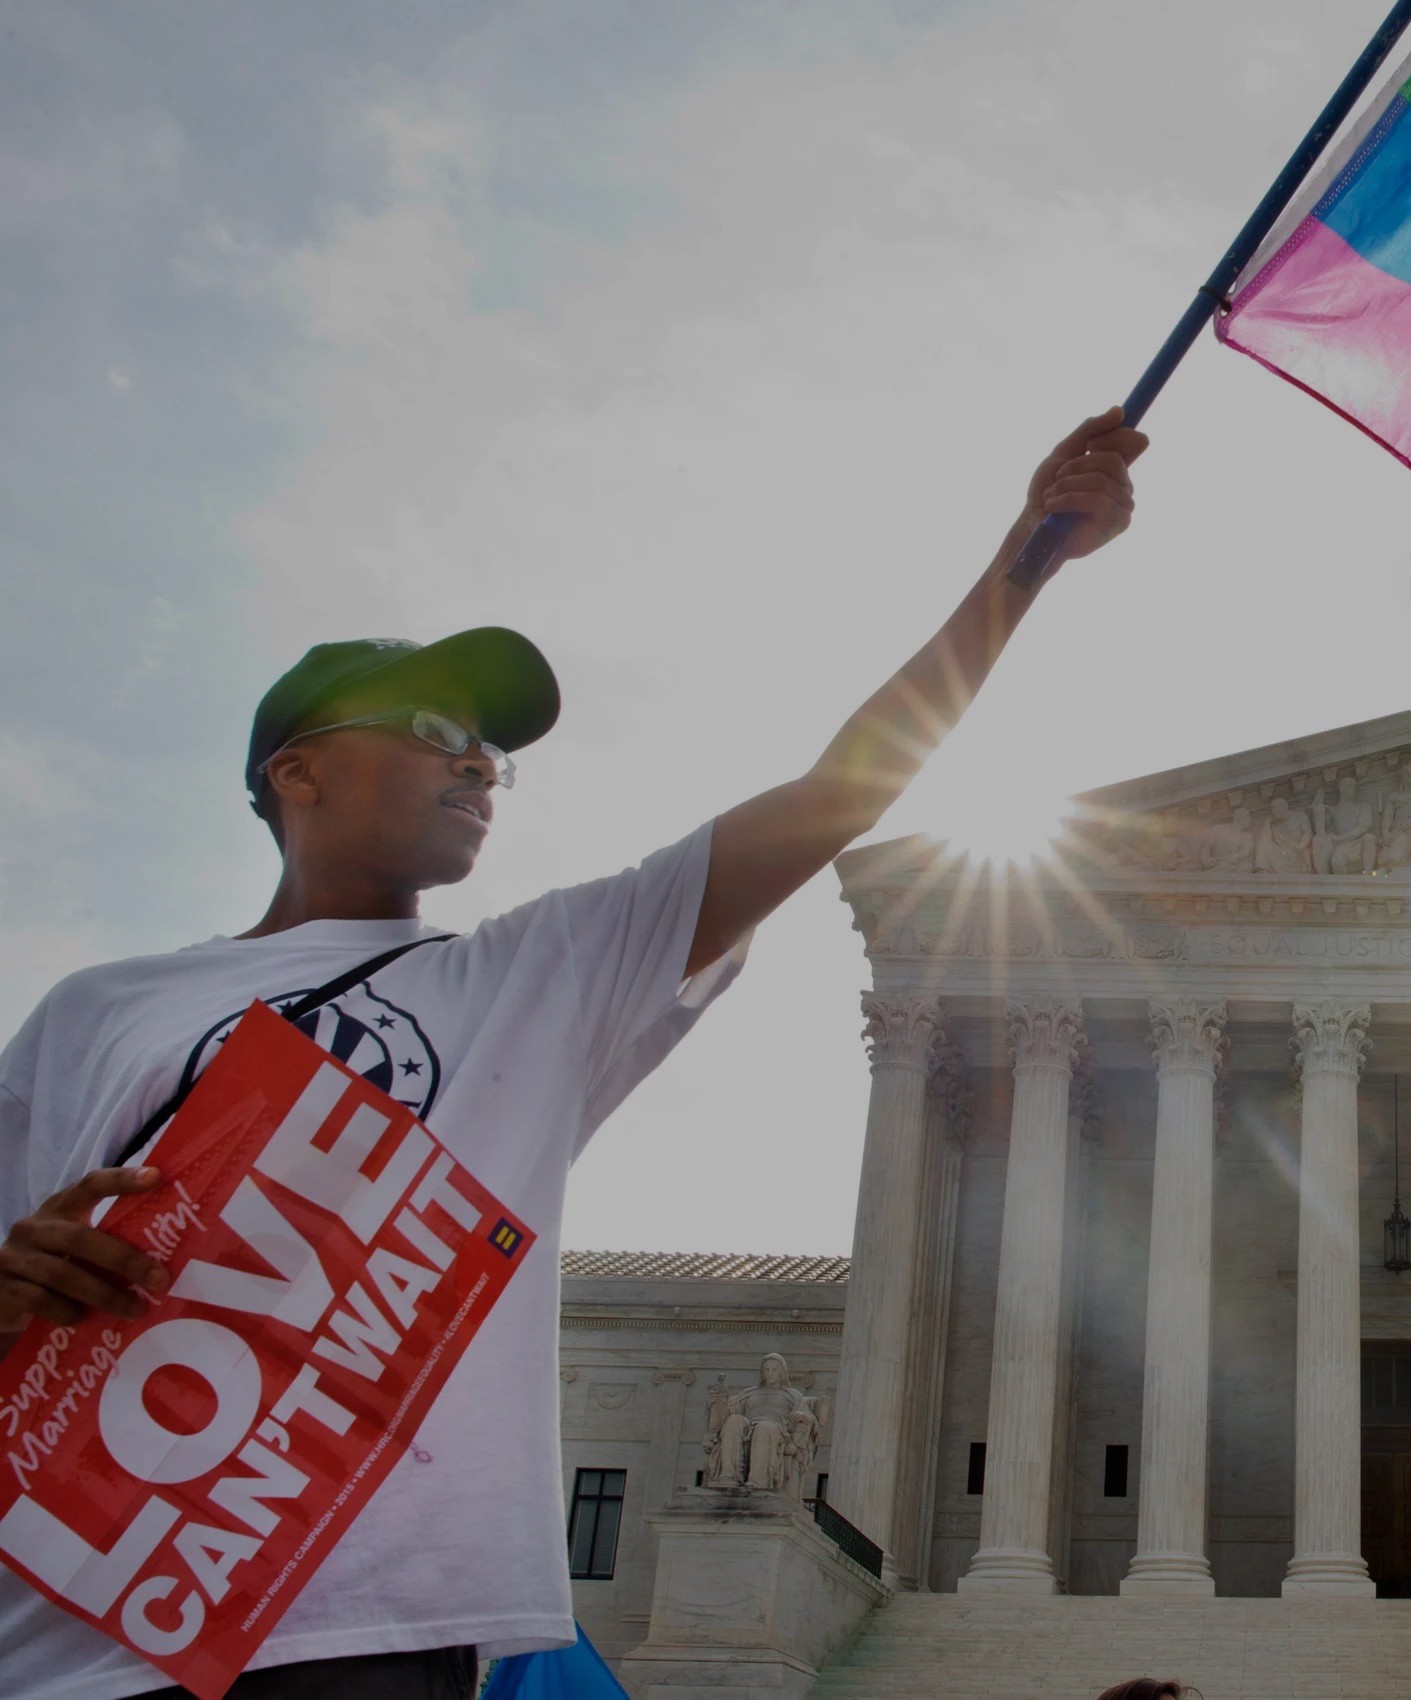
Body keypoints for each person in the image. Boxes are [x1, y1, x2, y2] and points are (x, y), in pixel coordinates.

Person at [0, 410, 1145, 1700]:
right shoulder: (102, 1011)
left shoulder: (527, 981)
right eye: (438, 727)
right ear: (298, 771)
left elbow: (839, 793)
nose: (480, 763)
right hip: (70, 1629)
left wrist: (1026, 560)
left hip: (359, 1628)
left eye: (494, 750)